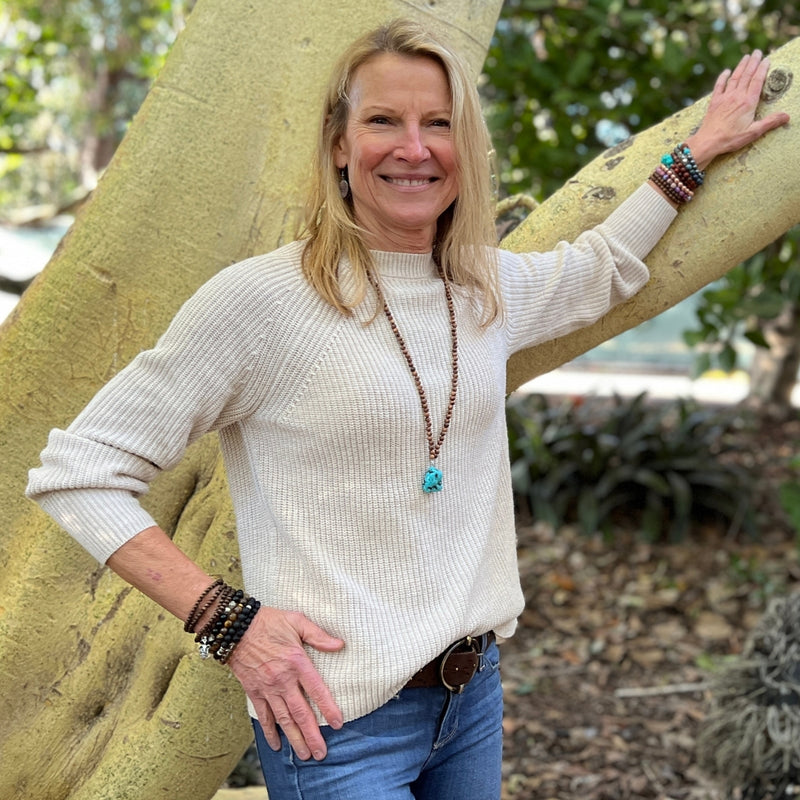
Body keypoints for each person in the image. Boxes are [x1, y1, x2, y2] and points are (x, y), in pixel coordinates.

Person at [26, 18, 789, 800]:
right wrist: (228, 622)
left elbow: (603, 269)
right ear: (337, 144)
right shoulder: (260, 301)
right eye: (383, 120)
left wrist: (695, 154)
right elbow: (78, 471)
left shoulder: (483, 288)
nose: (414, 148)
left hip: (471, 698)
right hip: (338, 724)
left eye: (439, 124)